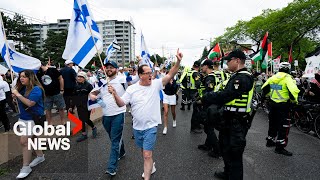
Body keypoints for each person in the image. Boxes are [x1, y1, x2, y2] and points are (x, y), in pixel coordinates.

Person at [108, 49, 183, 180]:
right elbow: (121, 104)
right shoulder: (132, 89)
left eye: (151, 73)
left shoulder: (156, 84)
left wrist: (178, 62)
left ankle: (147, 177)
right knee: (144, 152)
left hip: (151, 126)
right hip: (137, 128)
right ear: (140, 75)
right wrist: (114, 94)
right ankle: (151, 167)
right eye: (147, 73)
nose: (151, 75)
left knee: (147, 154)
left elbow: (171, 74)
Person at [200, 49, 255, 180]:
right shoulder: (236, 75)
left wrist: (208, 97)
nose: (227, 64)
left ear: (237, 61)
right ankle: (227, 173)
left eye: (228, 61)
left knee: (234, 153)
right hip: (229, 120)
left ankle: (233, 176)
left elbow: (227, 95)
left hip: (237, 122)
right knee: (225, 149)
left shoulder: (243, 77)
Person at [89, 61, 126, 176]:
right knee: (114, 137)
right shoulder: (102, 82)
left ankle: (111, 167)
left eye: (111, 67)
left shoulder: (122, 79)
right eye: (107, 67)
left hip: (118, 113)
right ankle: (122, 151)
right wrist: (93, 96)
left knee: (114, 141)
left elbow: (133, 84)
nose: (109, 69)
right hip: (106, 116)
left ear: (116, 69)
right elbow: (92, 93)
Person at [12, 70, 45, 179]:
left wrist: (17, 95)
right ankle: (40, 156)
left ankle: (26, 167)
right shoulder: (21, 88)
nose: (21, 78)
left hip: (33, 120)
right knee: (34, 139)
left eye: (24, 77)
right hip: (23, 119)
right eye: (20, 76)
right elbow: (20, 100)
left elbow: (30, 103)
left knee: (25, 141)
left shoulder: (36, 89)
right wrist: (15, 95)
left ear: (30, 78)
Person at [262, 62, 300, 156]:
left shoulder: (273, 77)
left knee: (273, 123)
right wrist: (295, 102)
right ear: (288, 69)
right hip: (283, 106)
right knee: (284, 126)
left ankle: (270, 141)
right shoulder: (288, 78)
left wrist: (268, 96)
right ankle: (280, 147)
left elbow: (265, 88)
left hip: (273, 104)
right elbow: (293, 92)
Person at [197, 60, 221, 158]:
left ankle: (217, 150)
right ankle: (208, 145)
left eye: (202, 66)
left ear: (206, 66)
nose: (201, 68)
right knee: (209, 126)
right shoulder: (216, 75)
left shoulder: (210, 77)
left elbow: (209, 93)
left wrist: (201, 100)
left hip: (210, 105)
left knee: (208, 128)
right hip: (215, 105)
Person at [71, 71, 97, 142]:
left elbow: (93, 95)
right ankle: (84, 134)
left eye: (81, 77)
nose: (79, 78)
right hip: (79, 105)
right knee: (81, 119)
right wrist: (72, 106)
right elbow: (74, 96)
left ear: (84, 78)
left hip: (87, 105)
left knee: (86, 119)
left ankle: (93, 127)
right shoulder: (75, 86)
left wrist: (93, 106)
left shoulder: (88, 86)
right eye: (78, 76)